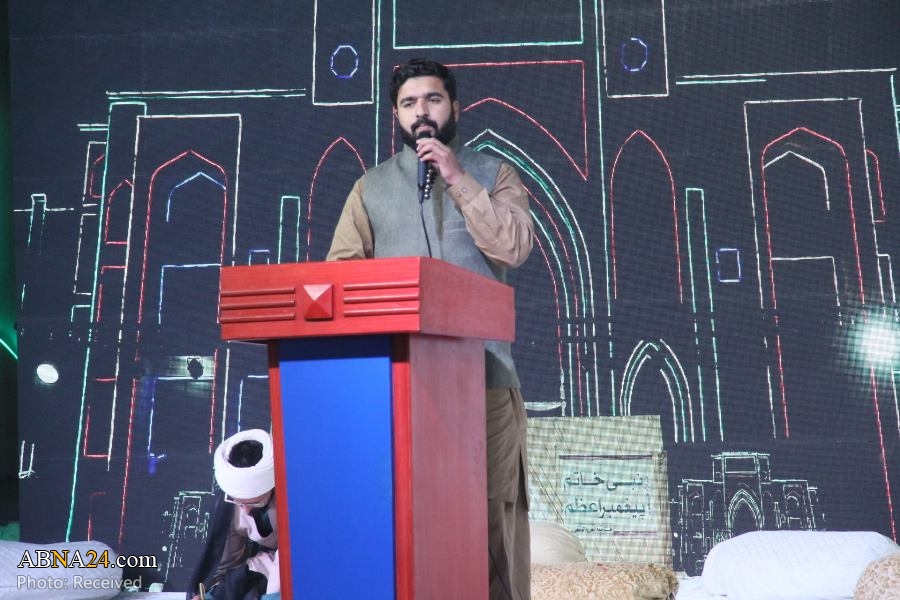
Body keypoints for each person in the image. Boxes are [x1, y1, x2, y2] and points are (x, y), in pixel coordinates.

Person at [327, 57, 533, 600]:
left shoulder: (494, 174)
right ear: (396, 116)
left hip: (487, 383)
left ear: (455, 107)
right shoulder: (370, 188)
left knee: (491, 524)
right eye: (409, 103)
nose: (422, 111)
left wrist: (458, 178)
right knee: (406, 520)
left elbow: (514, 247)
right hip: (399, 387)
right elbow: (340, 279)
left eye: (433, 99)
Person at [187, 429, 280, 600]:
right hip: (266, 563)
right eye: (239, 502)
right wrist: (211, 595)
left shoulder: (293, 502)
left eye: (256, 503)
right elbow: (226, 566)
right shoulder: (229, 506)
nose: (245, 510)